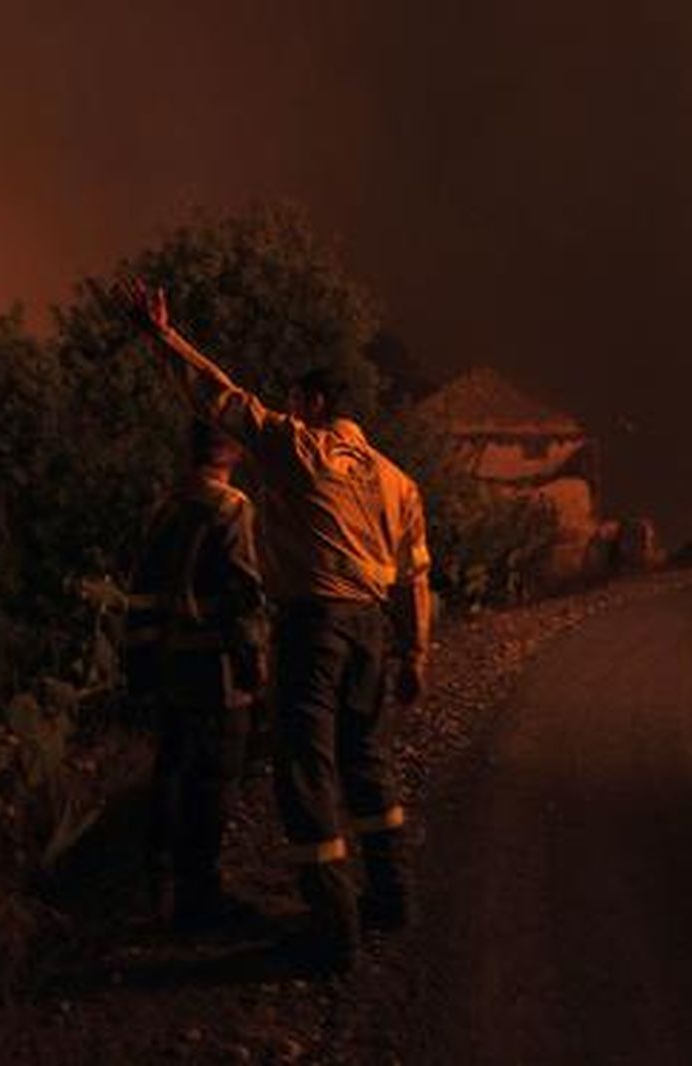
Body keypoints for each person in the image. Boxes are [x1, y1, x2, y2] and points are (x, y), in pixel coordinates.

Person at [126, 279, 432, 973]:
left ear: (315, 405)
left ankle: (333, 930)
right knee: (368, 764)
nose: (290, 408)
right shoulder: (398, 481)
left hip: (315, 627)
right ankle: (390, 895)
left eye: (297, 400)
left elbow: (220, 397)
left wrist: (162, 337)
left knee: (306, 772)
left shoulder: (300, 447)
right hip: (373, 634)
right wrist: (415, 654)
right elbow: (417, 576)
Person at [124, 417, 270, 935]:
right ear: (230, 453)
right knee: (214, 782)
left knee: (171, 773)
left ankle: (153, 890)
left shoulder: (163, 507)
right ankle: (200, 898)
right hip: (217, 671)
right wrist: (255, 665)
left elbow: (139, 594)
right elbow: (243, 596)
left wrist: (139, 665)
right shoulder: (231, 509)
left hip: (168, 666)